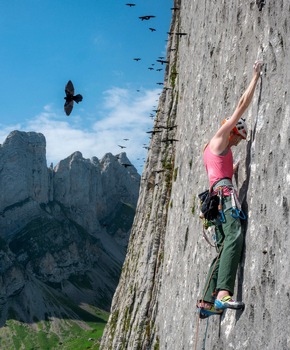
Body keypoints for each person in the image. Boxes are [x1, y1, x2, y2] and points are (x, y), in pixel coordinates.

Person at [198, 60, 263, 318]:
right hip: (223, 196)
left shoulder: (214, 151)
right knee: (234, 236)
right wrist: (255, 77)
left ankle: (206, 301)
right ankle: (223, 294)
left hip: (216, 195)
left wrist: (232, 171)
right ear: (232, 130)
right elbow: (241, 105)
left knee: (224, 246)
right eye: (238, 137)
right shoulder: (220, 136)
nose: (237, 142)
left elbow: (218, 173)